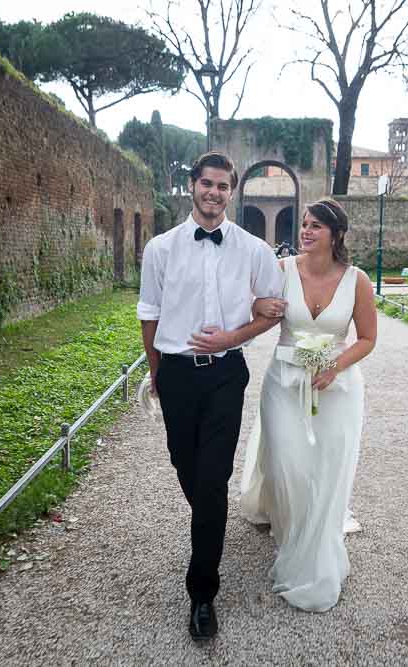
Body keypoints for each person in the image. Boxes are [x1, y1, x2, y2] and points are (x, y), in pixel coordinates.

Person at [137, 152, 283, 640]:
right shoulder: (159, 248)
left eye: (223, 186)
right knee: (188, 469)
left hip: (225, 375)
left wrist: (231, 337)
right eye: (207, 184)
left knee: (213, 476)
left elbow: (273, 310)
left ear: (232, 192)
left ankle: (202, 593)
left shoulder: (254, 251)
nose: (214, 193)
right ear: (193, 186)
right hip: (177, 374)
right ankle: (210, 524)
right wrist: (157, 374)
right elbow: (149, 315)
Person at [240, 197, 377, 612]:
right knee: (288, 463)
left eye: (316, 225)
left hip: (337, 390)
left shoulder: (358, 280)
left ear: (335, 234)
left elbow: (368, 339)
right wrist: (257, 305)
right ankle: (289, 524)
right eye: (304, 224)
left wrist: (335, 365)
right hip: (283, 383)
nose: (306, 231)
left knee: (327, 468)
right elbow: (253, 308)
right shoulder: (282, 271)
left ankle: (313, 546)